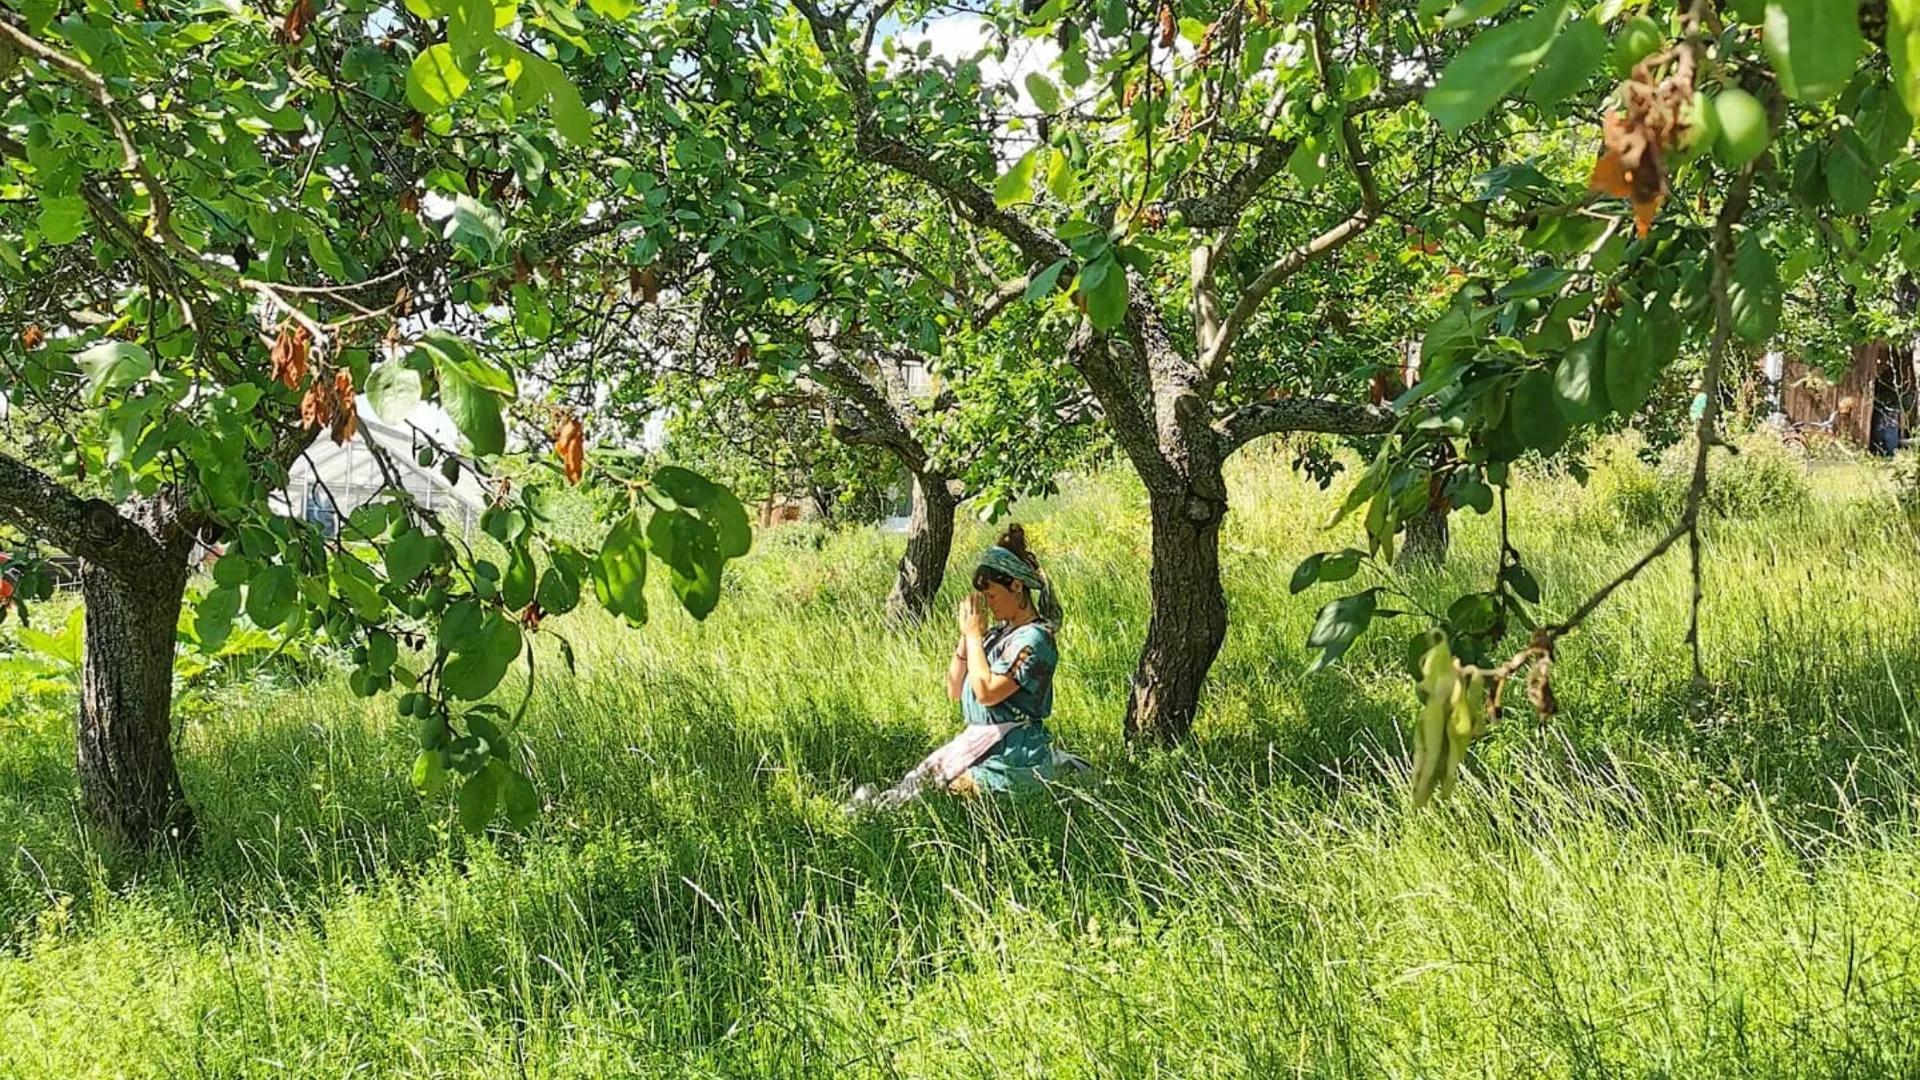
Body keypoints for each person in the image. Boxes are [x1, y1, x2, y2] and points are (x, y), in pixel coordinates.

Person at [848, 525, 1081, 811]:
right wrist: (966, 639)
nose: (988, 604)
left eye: (992, 595)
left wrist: (974, 636)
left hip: (1013, 751)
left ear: (1017, 587)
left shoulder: (1036, 639)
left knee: (938, 796)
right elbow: (955, 689)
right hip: (983, 742)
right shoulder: (998, 634)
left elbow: (987, 693)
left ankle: (882, 811)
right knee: (925, 784)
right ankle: (877, 808)